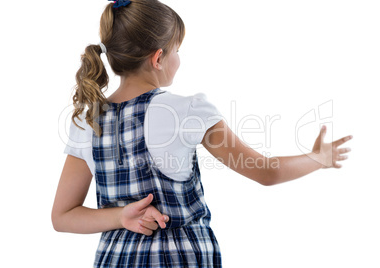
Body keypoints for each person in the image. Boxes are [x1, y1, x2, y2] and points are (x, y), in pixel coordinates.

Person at [51, 0, 353, 267]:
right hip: (182, 258)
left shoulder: (87, 122)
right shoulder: (186, 110)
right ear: (158, 58)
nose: (178, 59)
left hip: (113, 260)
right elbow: (265, 172)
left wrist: (120, 216)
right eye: (177, 50)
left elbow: (62, 216)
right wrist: (318, 157)